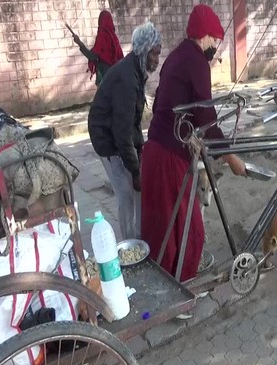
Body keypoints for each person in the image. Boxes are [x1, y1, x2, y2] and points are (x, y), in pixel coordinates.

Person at [141, 4, 246, 282]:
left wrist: (192, 137)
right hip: (169, 156)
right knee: (188, 228)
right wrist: (231, 158)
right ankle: (183, 290)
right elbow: (206, 115)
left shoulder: (176, 56)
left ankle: (163, 284)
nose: (215, 47)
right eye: (215, 40)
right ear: (205, 36)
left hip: (156, 148)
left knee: (162, 226)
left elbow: (172, 104)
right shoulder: (196, 61)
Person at [88, 22, 162, 241]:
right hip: (106, 140)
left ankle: (141, 237)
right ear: (143, 51)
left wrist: (140, 154)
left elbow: (133, 124)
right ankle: (130, 245)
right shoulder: (127, 79)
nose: (157, 60)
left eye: (158, 54)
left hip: (118, 134)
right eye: (154, 54)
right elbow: (122, 135)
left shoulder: (136, 70)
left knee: (139, 187)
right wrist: (136, 170)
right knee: (126, 193)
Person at [72, 10, 124, 87]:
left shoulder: (102, 36)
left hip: (104, 76)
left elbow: (92, 56)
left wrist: (79, 43)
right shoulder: (114, 38)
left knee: (103, 99)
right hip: (116, 76)